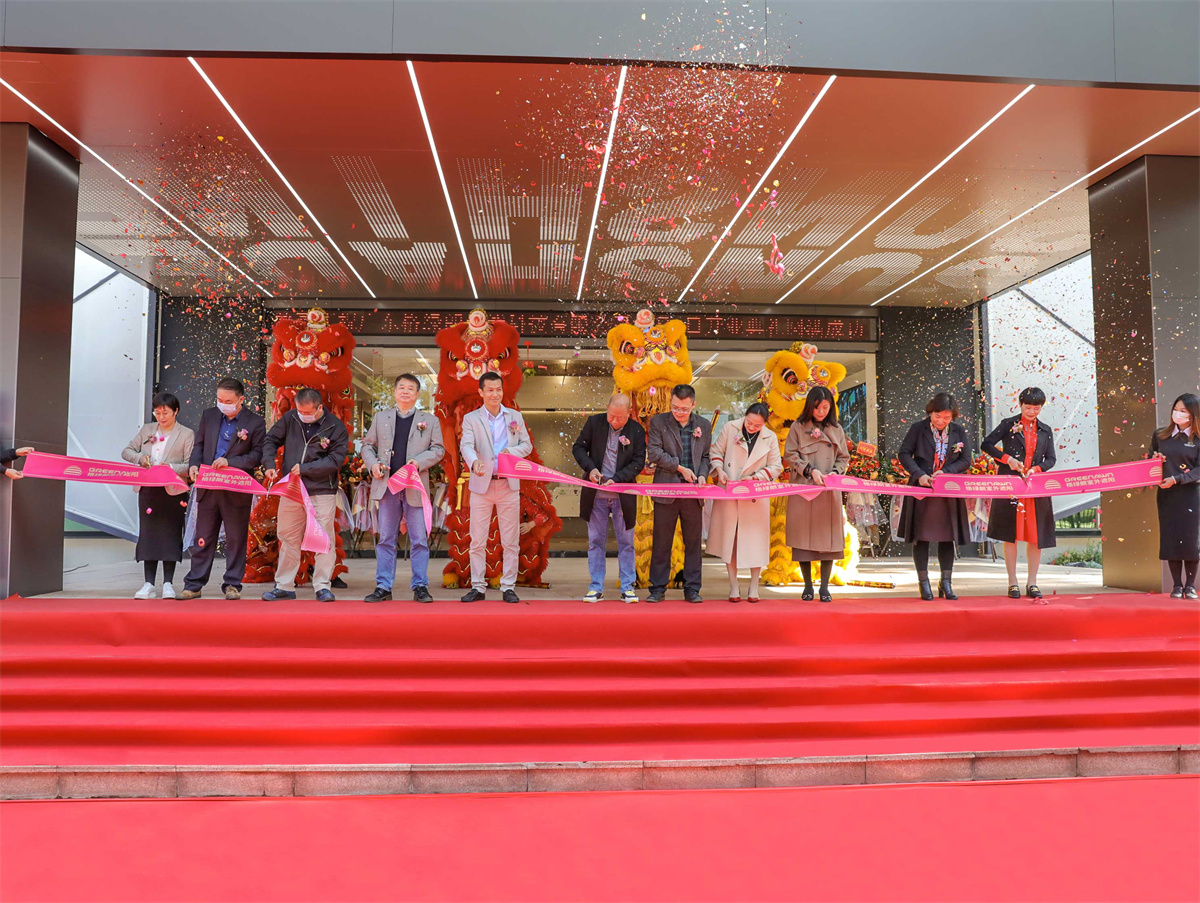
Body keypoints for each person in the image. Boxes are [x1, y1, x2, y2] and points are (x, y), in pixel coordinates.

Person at [361, 374, 445, 603]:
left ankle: (420, 586)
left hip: (414, 486)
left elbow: (439, 449)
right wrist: (373, 464)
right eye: (401, 387)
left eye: (410, 388)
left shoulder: (430, 420)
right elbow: (367, 446)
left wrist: (419, 462)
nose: (405, 391)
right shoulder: (381, 418)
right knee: (386, 538)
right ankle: (383, 586)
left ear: (417, 394)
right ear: (395, 392)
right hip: (388, 486)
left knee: (419, 539)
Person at [180, 378, 266, 601]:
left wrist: (231, 462)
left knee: (236, 539)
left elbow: (257, 455)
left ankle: (232, 584)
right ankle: (194, 584)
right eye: (219, 399)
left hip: (236, 489)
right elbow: (199, 445)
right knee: (203, 537)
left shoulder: (255, 422)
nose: (223, 404)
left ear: (241, 399)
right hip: (208, 485)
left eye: (228, 401)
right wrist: (194, 465)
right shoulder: (209, 415)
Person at [260, 388, 350, 602]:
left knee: (324, 538)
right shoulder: (291, 418)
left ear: (319, 408)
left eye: (308, 412)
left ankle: (322, 586)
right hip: (292, 488)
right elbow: (270, 440)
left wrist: (306, 468)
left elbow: (335, 460)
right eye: (300, 411)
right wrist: (269, 463)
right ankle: (284, 585)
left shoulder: (335, 427)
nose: (303, 416)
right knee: (287, 536)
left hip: (322, 490)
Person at [459, 372, 533, 603]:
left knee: (510, 540)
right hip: (481, 485)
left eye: (498, 389)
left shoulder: (514, 416)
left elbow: (527, 445)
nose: (495, 394)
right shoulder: (471, 419)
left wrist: (511, 452)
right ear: (481, 392)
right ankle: (478, 587)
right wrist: (474, 462)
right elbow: (466, 445)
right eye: (490, 390)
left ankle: (508, 587)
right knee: (477, 540)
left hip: (508, 485)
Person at [982, 387, 1058, 602]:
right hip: (1012, 486)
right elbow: (986, 444)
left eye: (1036, 408)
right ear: (1020, 405)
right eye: (1028, 407)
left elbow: (1051, 459)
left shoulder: (1045, 430)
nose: (1032, 412)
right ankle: (1012, 581)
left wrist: (1037, 469)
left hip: (1035, 489)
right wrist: (1008, 459)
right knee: (1011, 535)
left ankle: (1032, 582)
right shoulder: (1008, 424)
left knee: (1036, 537)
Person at [897, 392, 972, 601]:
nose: (941, 421)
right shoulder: (918, 429)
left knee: (947, 537)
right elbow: (904, 453)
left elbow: (966, 459)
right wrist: (919, 474)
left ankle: (946, 582)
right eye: (937, 416)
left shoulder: (958, 431)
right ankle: (924, 583)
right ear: (930, 412)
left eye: (946, 418)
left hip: (947, 489)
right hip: (922, 487)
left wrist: (946, 472)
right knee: (921, 537)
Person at [572, 393, 647, 603]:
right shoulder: (594, 423)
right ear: (607, 408)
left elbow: (638, 462)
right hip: (596, 495)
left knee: (626, 542)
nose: (615, 421)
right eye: (611, 416)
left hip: (623, 495)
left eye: (620, 418)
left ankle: (627, 587)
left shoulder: (636, 430)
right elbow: (578, 448)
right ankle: (596, 586)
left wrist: (617, 479)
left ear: (629, 413)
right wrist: (591, 469)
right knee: (596, 541)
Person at [121, 392, 195, 599]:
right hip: (148, 488)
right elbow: (126, 451)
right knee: (149, 535)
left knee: (170, 534)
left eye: (166, 413)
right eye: (157, 413)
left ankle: (168, 583)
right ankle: (148, 583)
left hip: (173, 490)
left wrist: (169, 467)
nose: (161, 417)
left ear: (176, 411)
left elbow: (190, 464)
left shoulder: (186, 434)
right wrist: (141, 459)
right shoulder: (147, 430)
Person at [710, 401, 782, 602]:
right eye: (749, 423)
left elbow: (776, 466)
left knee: (755, 540)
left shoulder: (770, 437)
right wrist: (720, 471)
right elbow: (715, 453)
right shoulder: (730, 427)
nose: (751, 427)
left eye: (757, 425)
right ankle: (733, 585)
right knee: (730, 539)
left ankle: (754, 586)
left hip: (754, 495)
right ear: (745, 416)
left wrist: (756, 477)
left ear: (765, 423)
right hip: (730, 490)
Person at [646, 384, 712, 603]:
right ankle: (657, 588)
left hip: (693, 492)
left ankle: (692, 588)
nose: (679, 412)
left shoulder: (703, 425)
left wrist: (702, 475)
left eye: (684, 409)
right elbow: (654, 452)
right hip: (667, 489)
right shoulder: (659, 422)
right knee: (662, 541)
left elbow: (705, 456)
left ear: (693, 405)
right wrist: (680, 468)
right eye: (675, 407)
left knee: (693, 543)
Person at [784, 387, 850, 602]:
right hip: (803, 488)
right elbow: (790, 455)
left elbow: (844, 457)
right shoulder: (797, 426)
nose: (821, 412)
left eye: (825, 407)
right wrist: (810, 470)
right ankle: (807, 586)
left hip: (828, 490)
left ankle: (824, 587)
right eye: (817, 407)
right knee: (803, 538)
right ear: (809, 406)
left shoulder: (836, 429)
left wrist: (835, 473)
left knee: (828, 540)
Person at [1150, 393, 1200, 599]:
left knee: (1191, 540)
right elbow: (1149, 460)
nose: (1177, 414)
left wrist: (1177, 479)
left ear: (1193, 415)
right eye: (1175, 409)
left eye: (1183, 411)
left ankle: (1190, 586)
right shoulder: (1160, 435)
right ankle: (1177, 586)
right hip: (1167, 495)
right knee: (1171, 538)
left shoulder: (1197, 439)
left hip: (1191, 496)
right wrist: (1155, 460)